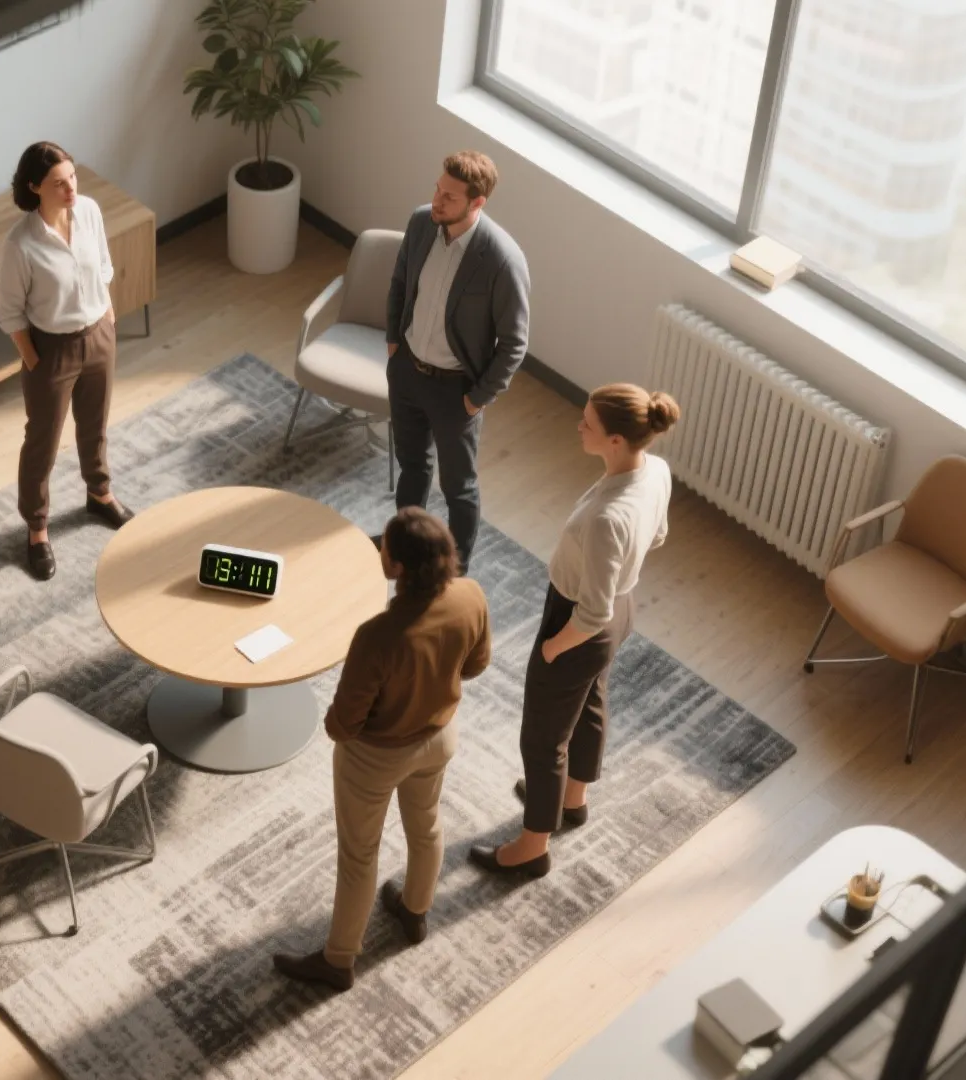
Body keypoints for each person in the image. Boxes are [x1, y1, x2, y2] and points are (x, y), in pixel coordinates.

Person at [273, 508, 492, 992]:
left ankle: (338, 961)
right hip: (439, 739)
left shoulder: (376, 636)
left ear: (397, 566)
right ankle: (415, 911)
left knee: (359, 855)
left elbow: (342, 725)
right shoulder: (471, 595)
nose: (380, 549)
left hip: (375, 759)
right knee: (426, 824)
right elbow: (476, 665)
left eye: (385, 546)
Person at [472, 384, 678, 877]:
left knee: (543, 739)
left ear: (615, 440)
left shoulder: (608, 518)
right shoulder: (655, 471)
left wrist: (553, 648)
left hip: (581, 621)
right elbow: (659, 535)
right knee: (589, 702)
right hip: (623, 609)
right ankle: (573, 799)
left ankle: (532, 848)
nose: (579, 426)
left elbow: (592, 613)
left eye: (588, 422)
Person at [384, 150, 531, 572]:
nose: (437, 200)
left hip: (456, 391)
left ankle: (455, 569)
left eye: (449, 196)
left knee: (458, 488)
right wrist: (394, 342)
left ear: (477, 202)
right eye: (438, 189)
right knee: (412, 466)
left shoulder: (501, 259)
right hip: (408, 371)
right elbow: (399, 283)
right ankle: (405, 549)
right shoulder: (421, 223)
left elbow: (514, 342)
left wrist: (477, 398)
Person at [0, 140, 136, 582]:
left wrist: (108, 318)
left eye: (73, 177)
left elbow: (104, 269)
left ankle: (99, 493)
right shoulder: (20, 244)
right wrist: (34, 360)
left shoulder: (89, 212)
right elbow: (10, 313)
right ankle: (37, 528)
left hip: (98, 336)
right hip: (51, 350)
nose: (71, 188)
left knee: (95, 425)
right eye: (59, 183)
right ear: (35, 187)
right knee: (42, 441)